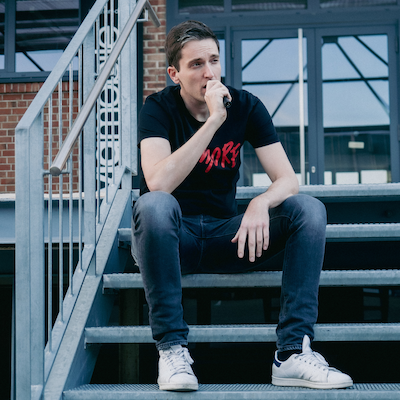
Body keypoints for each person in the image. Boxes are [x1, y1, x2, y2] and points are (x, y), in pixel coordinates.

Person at [131, 20, 353, 392]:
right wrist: (214, 120)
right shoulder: (157, 108)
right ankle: (171, 350)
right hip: (172, 239)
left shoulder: (246, 105)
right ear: (174, 74)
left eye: (213, 61)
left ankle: (291, 353)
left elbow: (287, 180)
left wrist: (260, 203)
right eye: (196, 64)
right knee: (154, 205)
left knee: (308, 209)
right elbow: (159, 183)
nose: (209, 72)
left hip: (226, 236)